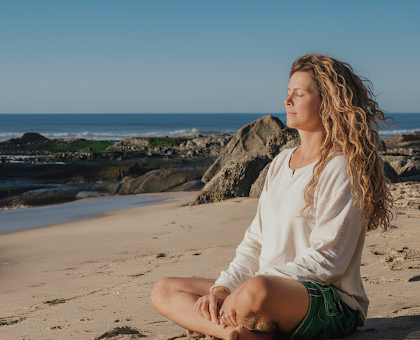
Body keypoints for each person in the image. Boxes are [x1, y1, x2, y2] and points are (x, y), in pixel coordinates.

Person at [151, 54, 394, 340]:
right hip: (260, 289)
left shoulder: (340, 166)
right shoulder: (281, 162)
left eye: (299, 94)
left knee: (257, 292)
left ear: (327, 103)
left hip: (327, 300)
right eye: (288, 93)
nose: (287, 101)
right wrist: (223, 289)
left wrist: (247, 290)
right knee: (165, 289)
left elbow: (329, 260)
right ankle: (236, 333)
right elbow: (255, 241)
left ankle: (220, 326)